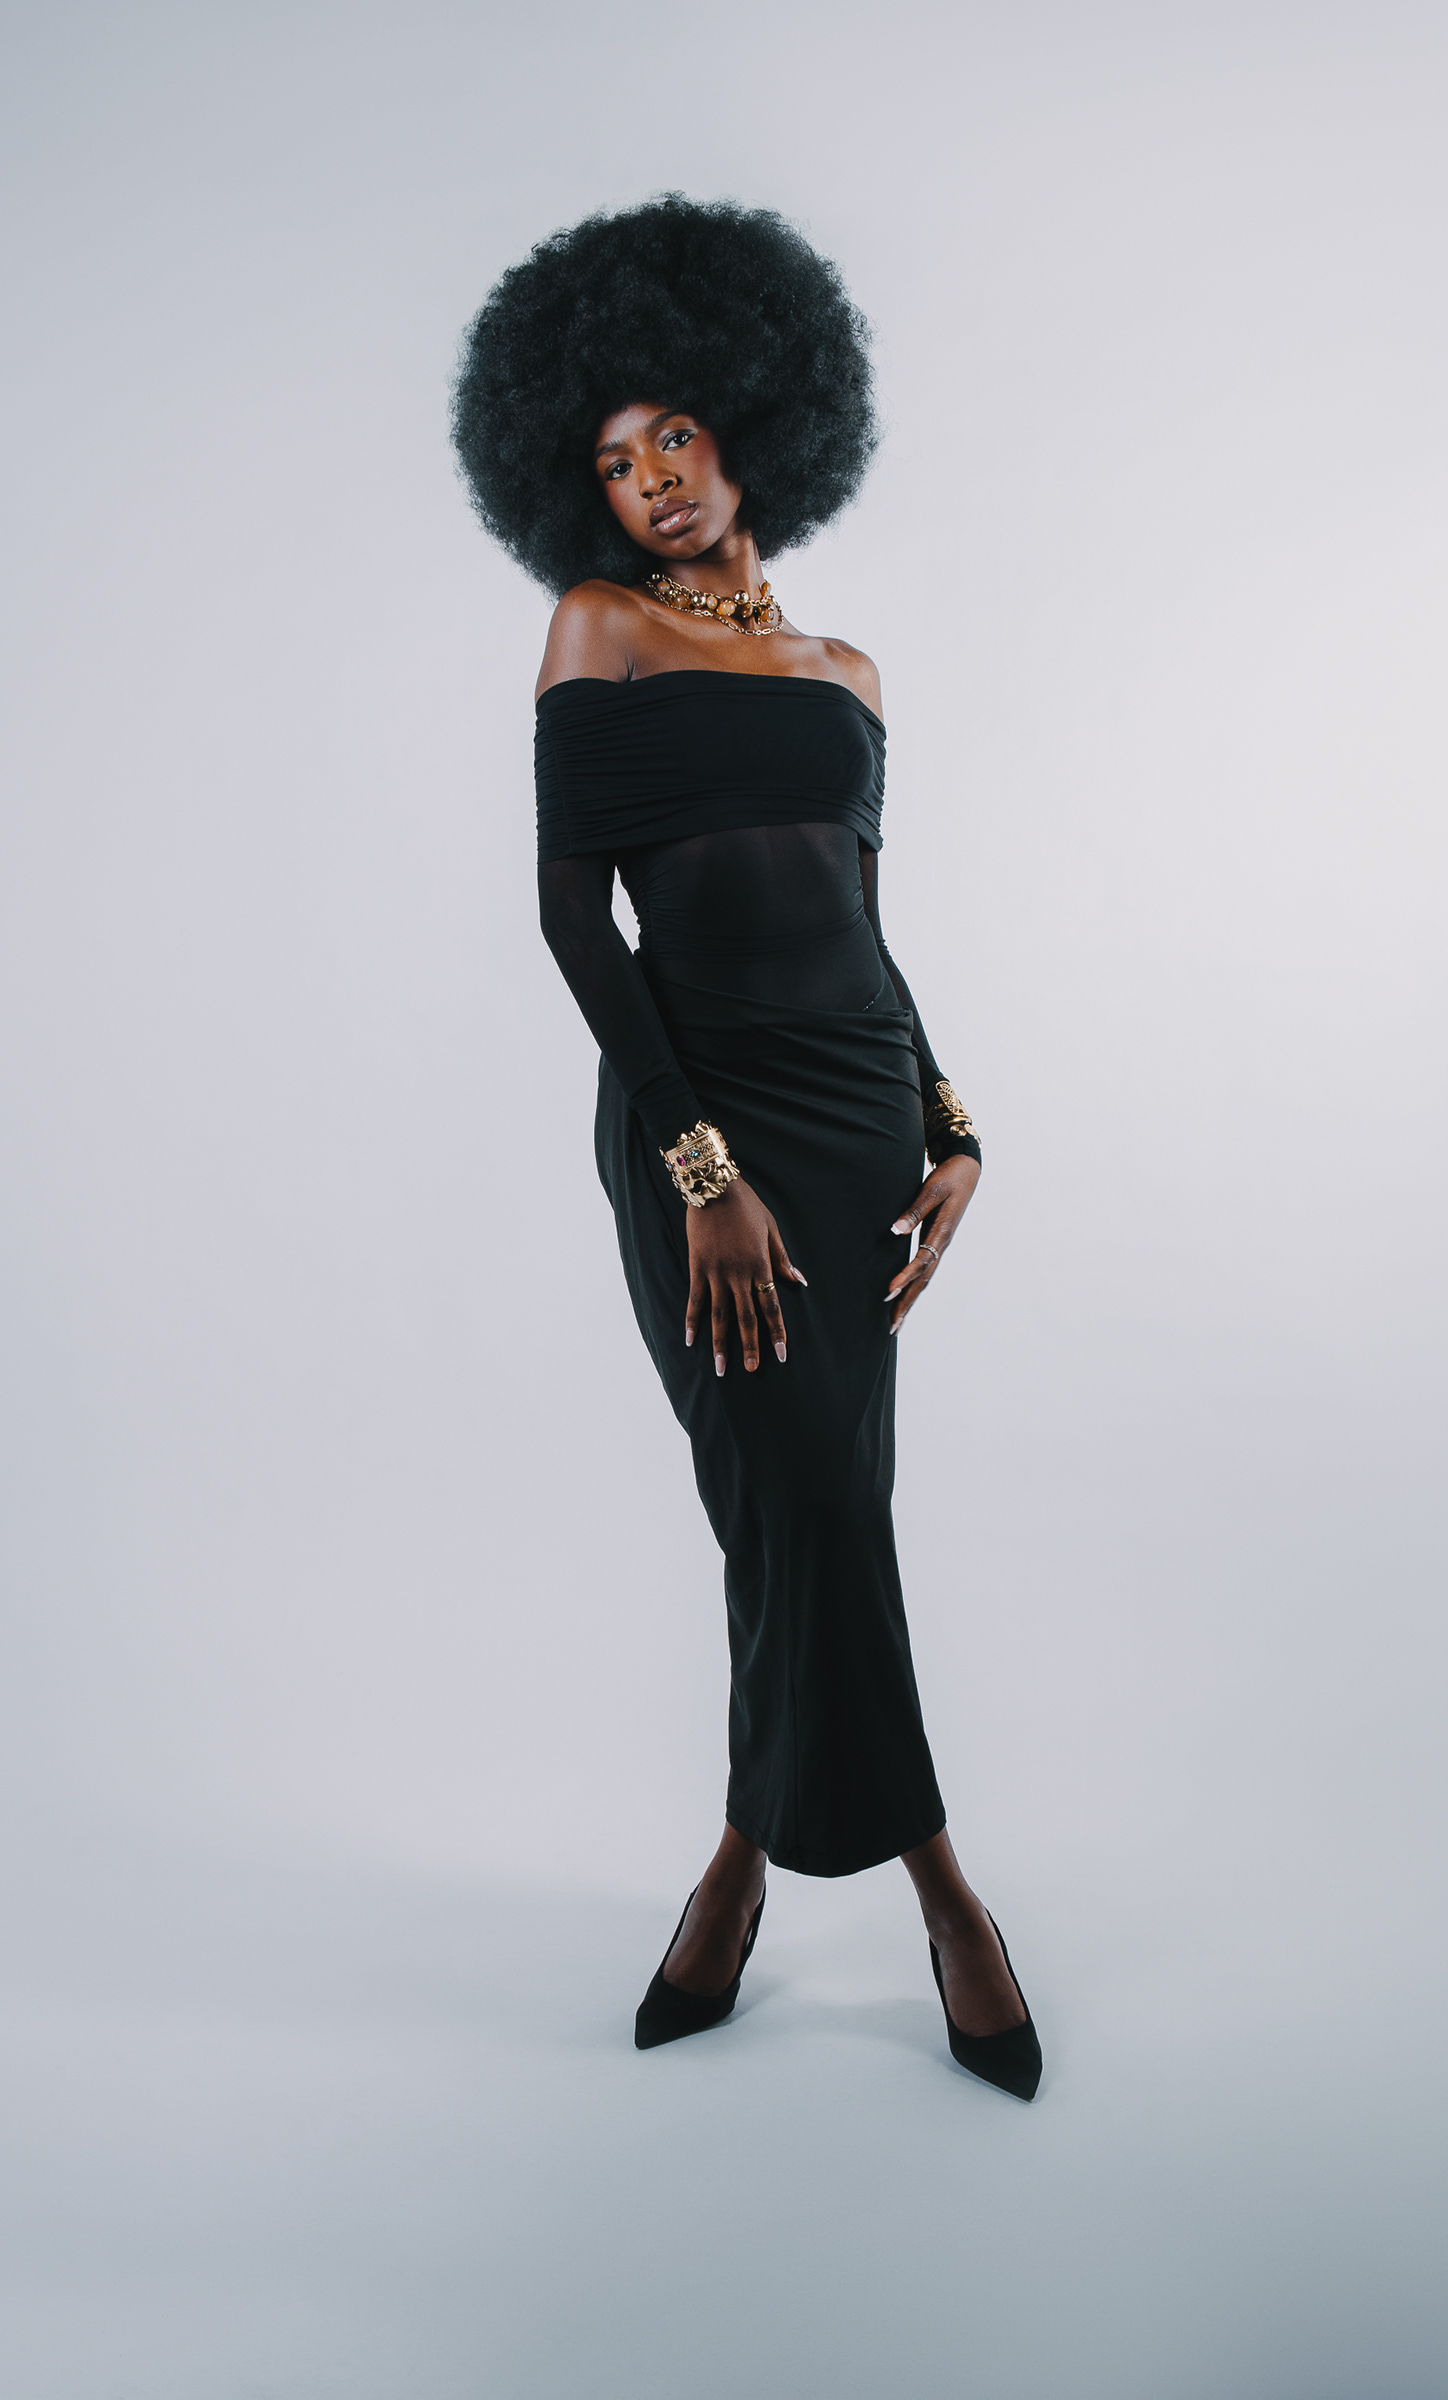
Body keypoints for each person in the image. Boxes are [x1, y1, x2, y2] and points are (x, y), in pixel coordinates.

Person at [451, 196, 1040, 2100]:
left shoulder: (849, 675)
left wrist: (954, 1120)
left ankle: (736, 1863)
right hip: (697, 1116)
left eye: (676, 435)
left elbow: (866, 930)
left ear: (751, 423)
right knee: (803, 1499)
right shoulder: (597, 633)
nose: (650, 480)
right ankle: (947, 1894)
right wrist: (698, 1166)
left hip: (859, 1116)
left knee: (808, 1508)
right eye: (612, 462)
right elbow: (573, 923)